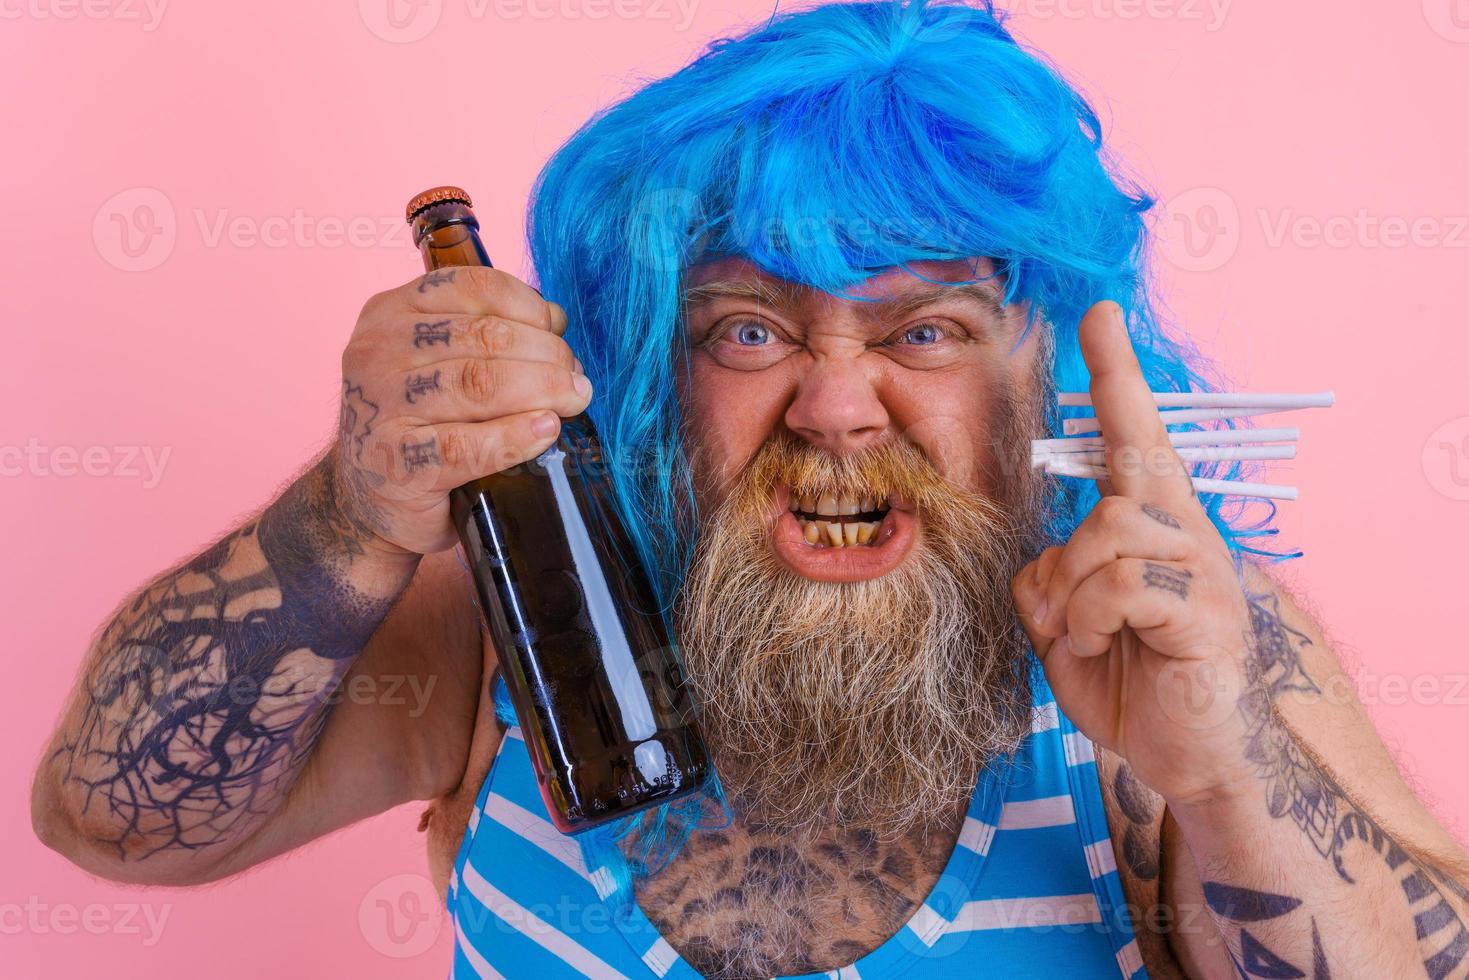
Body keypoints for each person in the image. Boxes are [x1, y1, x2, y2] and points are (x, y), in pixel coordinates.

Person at [31, 2, 1469, 977]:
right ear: (659, 362)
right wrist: (351, 508)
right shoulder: (521, 617)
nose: (836, 407)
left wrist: (1225, 773)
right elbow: (114, 823)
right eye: (752, 330)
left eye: (923, 330)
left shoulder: (1164, 642)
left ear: (1036, 361)